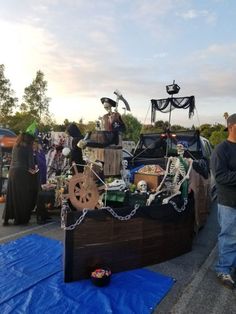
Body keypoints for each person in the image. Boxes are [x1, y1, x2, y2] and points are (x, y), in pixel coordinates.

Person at [210, 113, 236, 289]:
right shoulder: (221, 150)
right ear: (233, 127)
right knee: (229, 236)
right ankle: (223, 269)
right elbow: (220, 176)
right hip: (229, 202)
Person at [2, 132, 38, 226]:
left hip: (12, 172)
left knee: (11, 196)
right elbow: (31, 164)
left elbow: (14, 160)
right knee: (22, 197)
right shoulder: (28, 148)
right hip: (22, 173)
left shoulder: (15, 146)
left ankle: (6, 218)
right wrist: (34, 170)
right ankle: (19, 219)